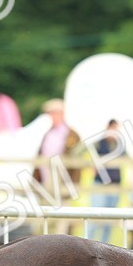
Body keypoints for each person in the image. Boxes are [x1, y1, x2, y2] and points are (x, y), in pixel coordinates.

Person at [38, 98, 81, 233]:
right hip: (46, 180)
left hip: (63, 180)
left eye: (53, 113)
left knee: (62, 215)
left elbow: (76, 160)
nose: (51, 116)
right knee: (47, 215)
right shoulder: (48, 133)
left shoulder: (71, 135)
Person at [88, 119, 121, 242]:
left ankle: (105, 245)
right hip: (100, 183)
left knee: (109, 220)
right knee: (95, 216)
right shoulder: (99, 143)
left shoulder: (119, 144)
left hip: (114, 184)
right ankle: (89, 243)